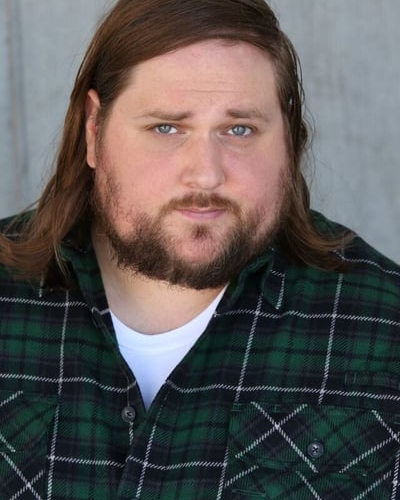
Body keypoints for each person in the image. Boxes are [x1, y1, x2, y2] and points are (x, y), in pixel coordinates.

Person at [0, 0, 399, 498]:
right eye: (166, 127)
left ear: (289, 139)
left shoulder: (385, 333)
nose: (206, 174)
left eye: (239, 129)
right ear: (94, 130)